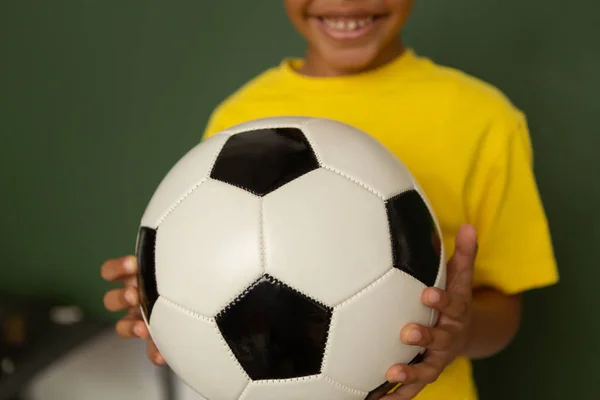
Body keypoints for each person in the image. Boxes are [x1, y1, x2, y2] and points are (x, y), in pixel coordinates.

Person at [101, 1, 559, 399]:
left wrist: (456, 336)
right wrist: (168, 300)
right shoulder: (238, 120)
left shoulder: (483, 118)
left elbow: (503, 311)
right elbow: (208, 270)